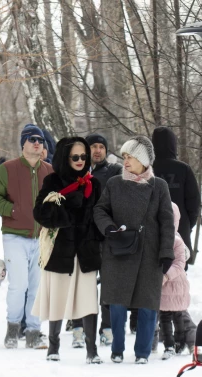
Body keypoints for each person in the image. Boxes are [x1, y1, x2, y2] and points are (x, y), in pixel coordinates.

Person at [93, 135, 175, 364]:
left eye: (131, 157)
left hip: (150, 253)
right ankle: (117, 349)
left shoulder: (159, 186)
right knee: (117, 303)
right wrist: (109, 229)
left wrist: (167, 252)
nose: (126, 161)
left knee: (148, 305)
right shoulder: (114, 184)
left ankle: (142, 353)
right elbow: (100, 210)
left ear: (143, 159)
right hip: (119, 251)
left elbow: (167, 222)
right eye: (125, 156)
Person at [32, 137, 103, 363]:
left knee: (89, 300)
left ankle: (92, 351)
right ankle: (53, 347)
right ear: (65, 157)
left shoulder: (95, 183)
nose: (81, 160)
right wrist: (67, 209)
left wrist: (100, 237)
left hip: (85, 251)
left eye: (84, 156)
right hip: (60, 251)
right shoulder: (53, 181)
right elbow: (40, 213)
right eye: (75, 156)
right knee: (57, 298)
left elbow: (100, 215)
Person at [0, 124, 53, 349]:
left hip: (42, 237)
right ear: (22, 143)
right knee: (19, 284)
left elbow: (58, 200)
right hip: (15, 236)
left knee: (36, 286)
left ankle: (33, 332)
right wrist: (14, 210)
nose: (37, 143)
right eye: (32, 139)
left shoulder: (49, 171)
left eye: (40, 140)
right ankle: (13, 328)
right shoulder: (7, 169)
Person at [67, 133, 123, 347]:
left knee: (108, 284)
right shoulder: (74, 172)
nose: (97, 150)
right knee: (82, 284)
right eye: (93, 146)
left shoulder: (115, 172)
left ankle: (106, 327)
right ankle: (79, 328)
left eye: (101, 146)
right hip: (82, 238)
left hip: (107, 237)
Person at [151, 126, 200, 255]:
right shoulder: (183, 169)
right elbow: (193, 202)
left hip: (152, 231)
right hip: (180, 230)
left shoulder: (147, 169)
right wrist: (187, 225)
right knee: (179, 270)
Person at [159, 202, 190, 360]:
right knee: (164, 316)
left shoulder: (177, 241)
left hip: (175, 283)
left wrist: (166, 276)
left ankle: (180, 341)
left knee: (178, 315)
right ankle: (169, 344)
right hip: (163, 285)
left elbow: (180, 264)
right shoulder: (157, 237)